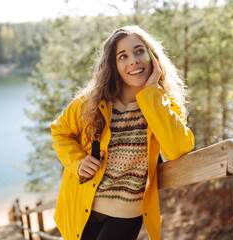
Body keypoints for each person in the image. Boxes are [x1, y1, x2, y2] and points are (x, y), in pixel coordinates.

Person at [51, 25, 195, 240]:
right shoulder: (90, 103)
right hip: (82, 204)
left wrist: (151, 93)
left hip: (126, 214)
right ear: (113, 65)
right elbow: (60, 131)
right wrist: (77, 162)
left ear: (152, 57)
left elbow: (177, 149)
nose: (133, 60)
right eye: (123, 56)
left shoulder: (163, 105)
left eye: (139, 51)